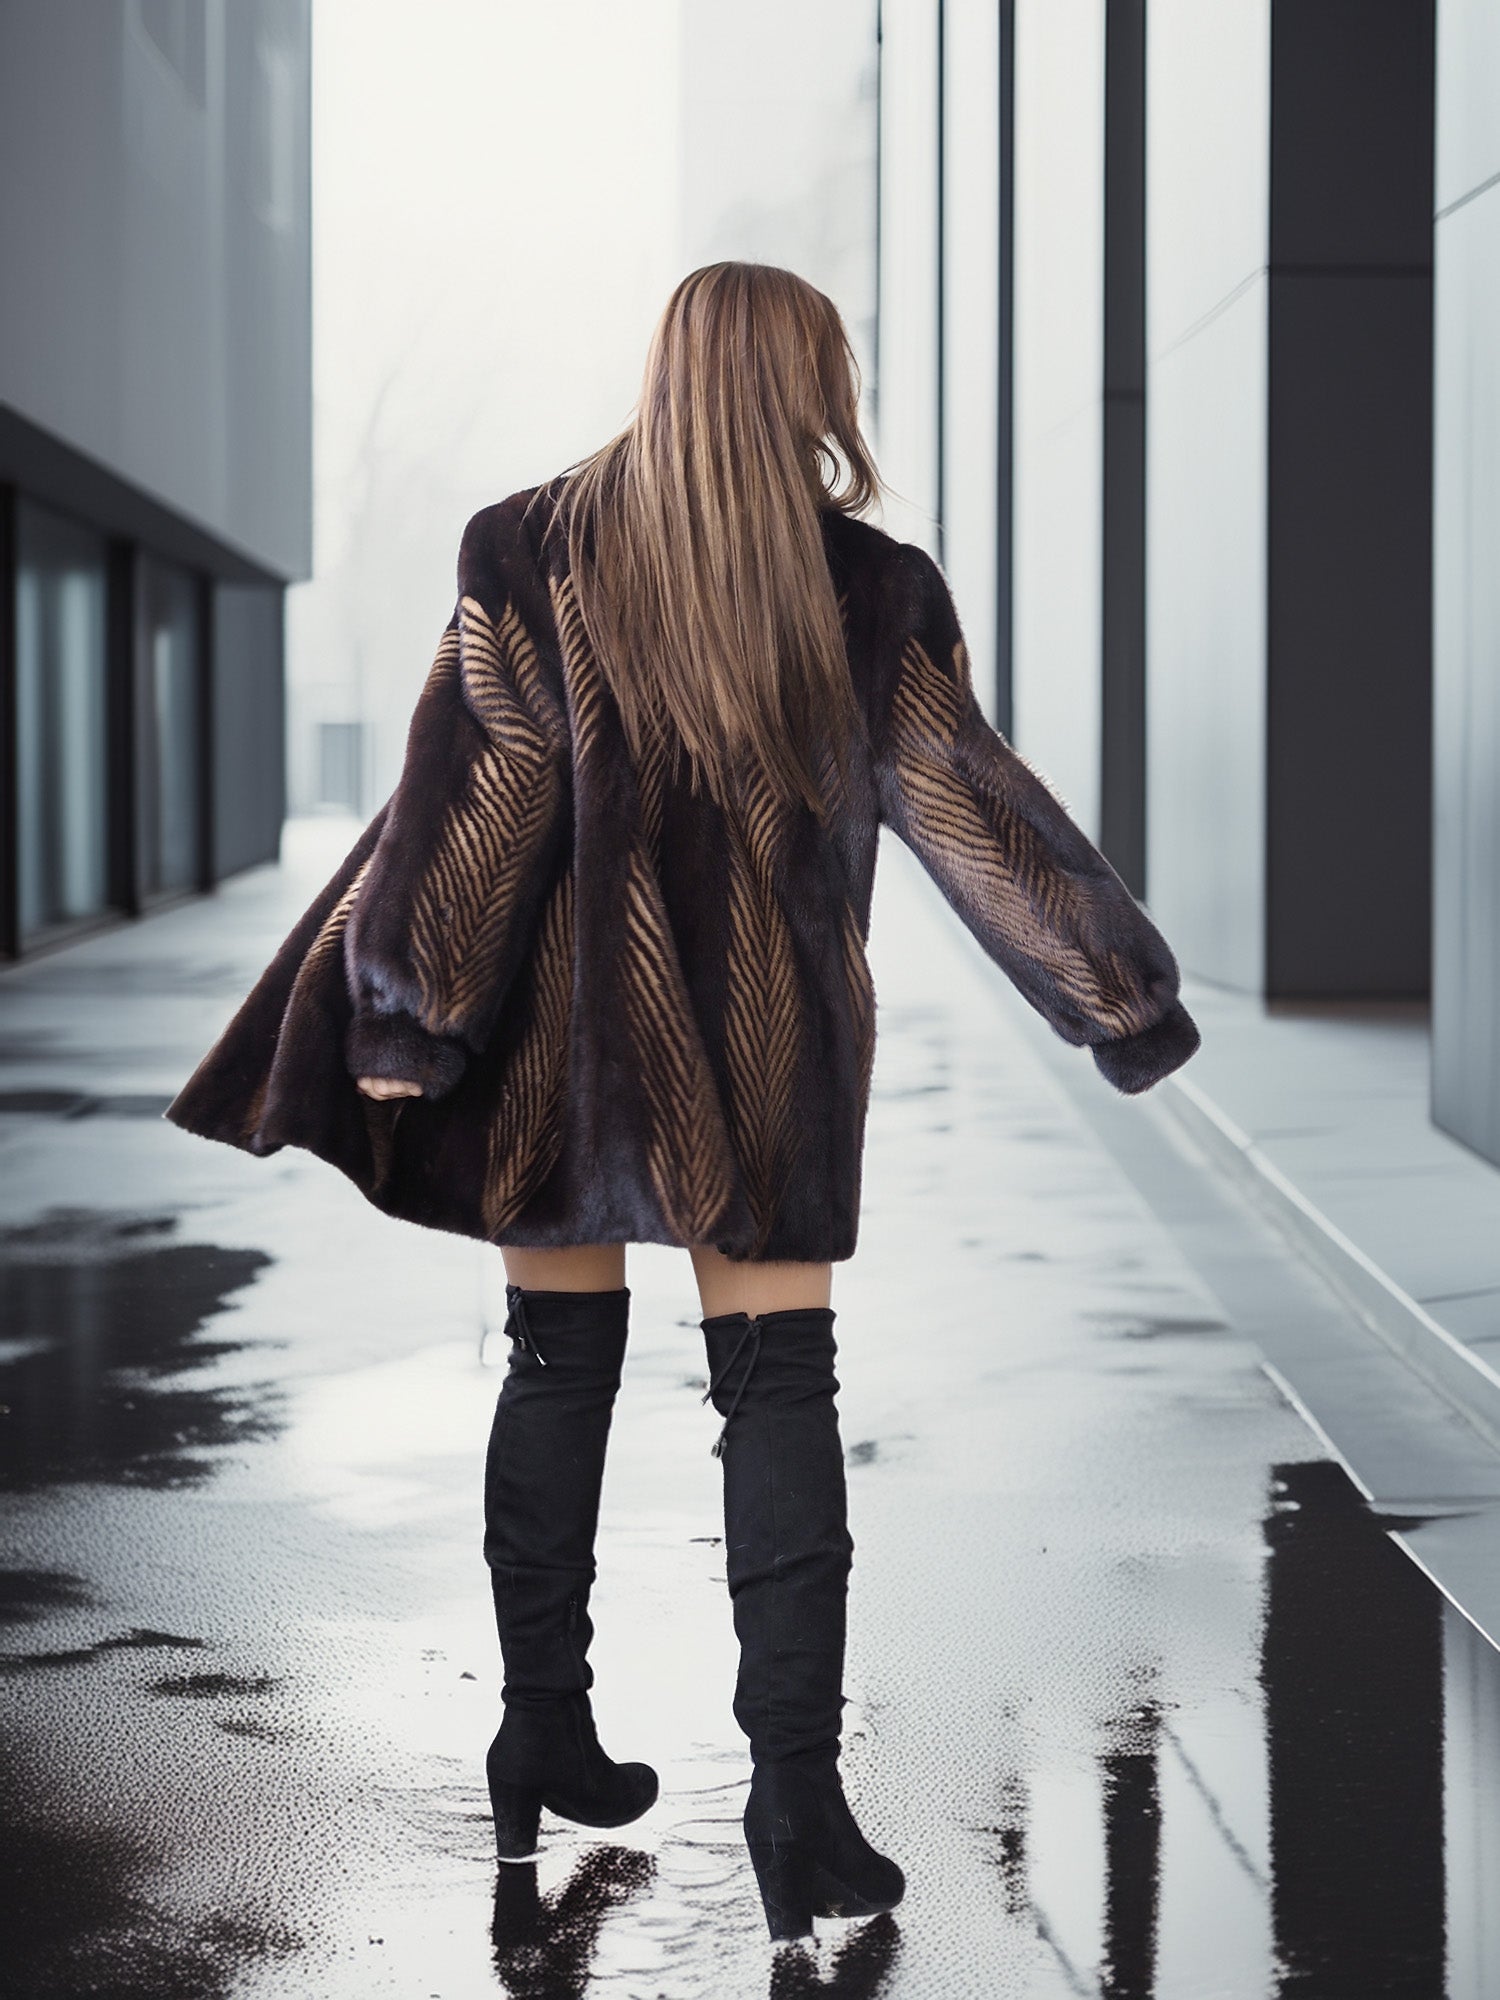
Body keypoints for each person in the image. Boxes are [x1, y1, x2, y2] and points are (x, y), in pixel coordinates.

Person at [165, 261, 1200, 1942]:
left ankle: (540, 1730)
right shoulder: (870, 588)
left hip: (563, 1066)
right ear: (810, 389)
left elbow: (482, 798)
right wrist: (1118, 993)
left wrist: (414, 1017)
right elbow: (969, 804)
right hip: (766, 1065)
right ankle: (798, 1802)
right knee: (779, 1396)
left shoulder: (532, 547)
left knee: (556, 1372)